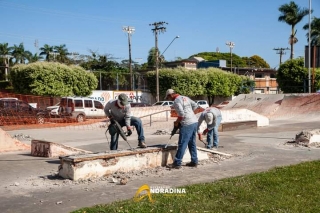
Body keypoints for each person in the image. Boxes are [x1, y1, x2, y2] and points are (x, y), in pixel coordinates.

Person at [165, 89, 199, 169]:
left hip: (187, 123)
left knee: (182, 143)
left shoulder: (176, 101)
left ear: (170, 95)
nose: (169, 99)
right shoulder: (185, 97)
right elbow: (195, 106)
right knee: (192, 143)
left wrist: (177, 122)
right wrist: (190, 113)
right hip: (194, 121)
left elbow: (181, 115)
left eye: (168, 97)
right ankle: (194, 161)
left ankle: (177, 163)